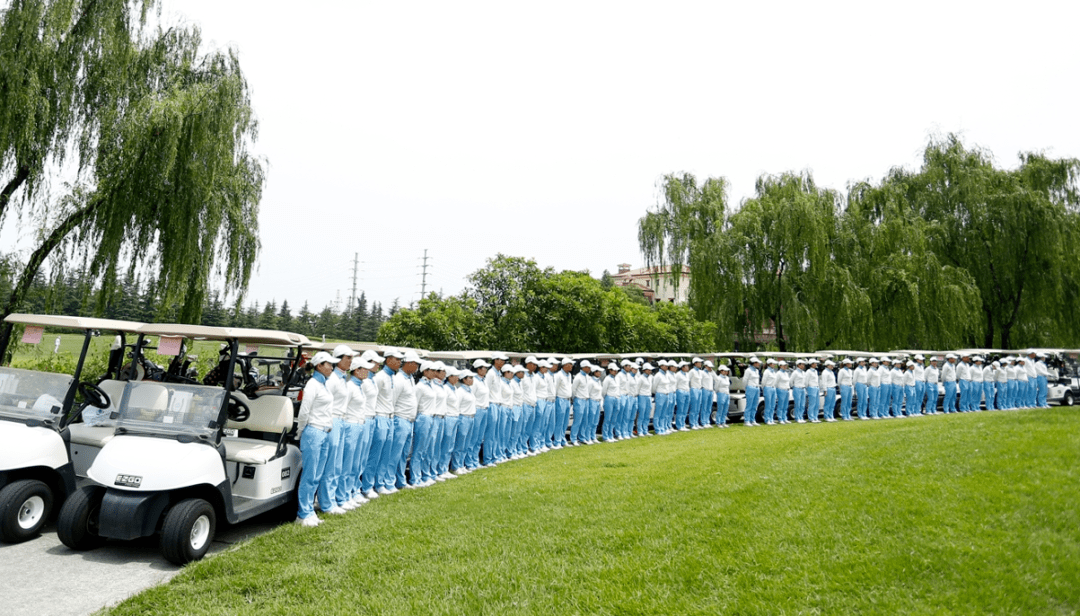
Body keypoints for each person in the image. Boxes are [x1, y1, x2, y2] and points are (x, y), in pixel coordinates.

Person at [296, 351, 336, 527]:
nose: (332, 366)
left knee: (317, 475)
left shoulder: (324, 384)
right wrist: (300, 431)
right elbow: (304, 411)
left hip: (324, 432)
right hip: (313, 431)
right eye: (329, 364)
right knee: (310, 474)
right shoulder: (312, 384)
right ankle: (303, 513)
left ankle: (310, 510)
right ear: (319, 366)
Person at [319, 345, 355, 514]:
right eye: (348, 358)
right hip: (332, 420)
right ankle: (326, 503)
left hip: (341, 420)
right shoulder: (333, 379)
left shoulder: (342, 378)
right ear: (339, 359)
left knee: (338, 464)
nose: (351, 361)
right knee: (331, 464)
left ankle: (333, 499)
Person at [363, 349, 402, 499]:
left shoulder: (391, 377)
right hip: (379, 416)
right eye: (396, 359)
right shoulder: (379, 377)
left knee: (385, 454)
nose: (399, 362)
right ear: (389, 359)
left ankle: (379, 484)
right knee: (375, 455)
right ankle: (367, 486)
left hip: (390, 417)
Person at [339, 354, 375, 510]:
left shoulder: (359, 386)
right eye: (364, 369)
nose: (367, 371)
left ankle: (352, 491)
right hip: (351, 425)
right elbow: (343, 409)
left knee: (357, 462)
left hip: (360, 424)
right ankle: (343, 495)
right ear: (356, 370)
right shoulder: (350, 387)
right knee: (347, 463)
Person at [388, 350, 420, 491]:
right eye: (416, 364)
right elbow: (392, 401)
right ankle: (389, 481)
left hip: (409, 420)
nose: (417, 367)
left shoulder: (410, 378)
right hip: (400, 419)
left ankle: (400, 480)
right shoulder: (399, 379)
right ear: (409, 363)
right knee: (395, 453)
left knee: (404, 454)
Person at [411, 361, 440, 487]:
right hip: (423, 417)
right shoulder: (420, 387)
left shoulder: (431, 385)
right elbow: (415, 404)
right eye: (432, 370)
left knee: (426, 449)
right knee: (418, 449)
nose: (435, 373)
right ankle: (415, 478)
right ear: (425, 371)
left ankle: (424, 474)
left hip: (431, 417)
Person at [438, 366, 461, 477]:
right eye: (455, 376)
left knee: (451, 445)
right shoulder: (445, 388)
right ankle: (441, 469)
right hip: (449, 418)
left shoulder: (454, 388)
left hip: (455, 417)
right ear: (449, 377)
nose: (457, 378)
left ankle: (445, 467)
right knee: (446, 445)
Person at [469, 359, 491, 469]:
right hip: (477, 410)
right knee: (474, 437)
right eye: (484, 368)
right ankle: (469, 462)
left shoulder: (483, 380)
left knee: (479, 438)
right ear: (478, 369)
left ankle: (475, 461)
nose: (486, 370)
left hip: (484, 409)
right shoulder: (475, 381)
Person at [452, 370, 476, 474]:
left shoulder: (469, 390)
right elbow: (457, 406)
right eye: (470, 377)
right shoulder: (460, 391)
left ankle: (461, 464)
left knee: (466, 443)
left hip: (470, 417)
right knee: (460, 443)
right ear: (464, 379)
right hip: (463, 418)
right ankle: (456, 465)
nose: (472, 380)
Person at [570, 361, 592, 445]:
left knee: (585, 420)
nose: (590, 369)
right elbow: (574, 389)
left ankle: (582, 437)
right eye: (588, 367)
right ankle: (573, 438)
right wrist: (575, 399)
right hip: (579, 400)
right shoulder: (578, 377)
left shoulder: (587, 377)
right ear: (584, 367)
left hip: (586, 400)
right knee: (577, 420)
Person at [554, 358, 573, 448]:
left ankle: (562, 439)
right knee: (559, 422)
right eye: (570, 364)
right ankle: (557, 441)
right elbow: (555, 388)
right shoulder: (558, 375)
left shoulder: (569, 375)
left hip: (567, 400)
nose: (572, 366)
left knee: (565, 422)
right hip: (560, 399)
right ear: (565, 365)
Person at [743, 357, 761, 426]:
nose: (759, 364)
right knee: (749, 405)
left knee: (755, 405)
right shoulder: (748, 370)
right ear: (754, 363)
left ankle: (752, 419)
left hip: (757, 388)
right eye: (757, 363)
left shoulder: (756, 371)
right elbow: (745, 380)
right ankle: (747, 420)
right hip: (750, 387)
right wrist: (746, 388)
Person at [588, 363, 603, 442]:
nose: (600, 373)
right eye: (598, 372)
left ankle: (593, 436)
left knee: (596, 421)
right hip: (592, 401)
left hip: (598, 402)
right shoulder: (591, 381)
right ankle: (588, 437)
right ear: (594, 372)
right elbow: (588, 393)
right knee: (591, 420)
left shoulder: (598, 381)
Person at [636, 363, 653, 435]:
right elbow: (637, 388)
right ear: (644, 370)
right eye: (648, 370)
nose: (650, 371)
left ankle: (645, 430)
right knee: (641, 414)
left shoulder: (650, 377)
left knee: (647, 414)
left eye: (650, 370)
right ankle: (640, 430)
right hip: (642, 396)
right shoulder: (640, 378)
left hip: (648, 396)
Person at [806, 358, 821, 423]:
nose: (816, 364)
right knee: (812, 403)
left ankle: (815, 417)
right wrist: (807, 389)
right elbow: (806, 381)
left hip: (816, 387)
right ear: (812, 364)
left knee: (817, 403)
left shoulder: (815, 371)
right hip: (811, 387)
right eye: (815, 363)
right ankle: (811, 417)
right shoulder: (808, 372)